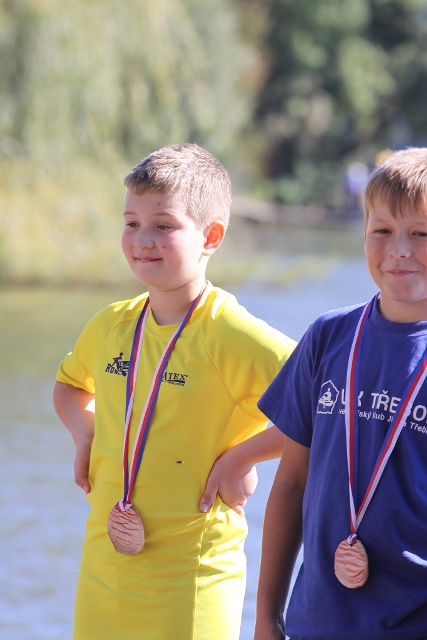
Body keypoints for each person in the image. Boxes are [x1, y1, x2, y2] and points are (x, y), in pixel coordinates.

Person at [53, 143, 296, 640]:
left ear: (211, 236)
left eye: (164, 225)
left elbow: (327, 404)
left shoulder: (230, 333)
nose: (143, 240)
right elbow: (69, 385)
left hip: (192, 581)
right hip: (103, 570)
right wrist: (86, 433)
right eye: (131, 223)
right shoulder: (111, 324)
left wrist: (241, 458)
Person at [254, 147, 427, 640]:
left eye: (421, 234)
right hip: (315, 623)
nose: (400, 250)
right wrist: (266, 617)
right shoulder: (328, 337)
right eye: (382, 231)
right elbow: (290, 483)